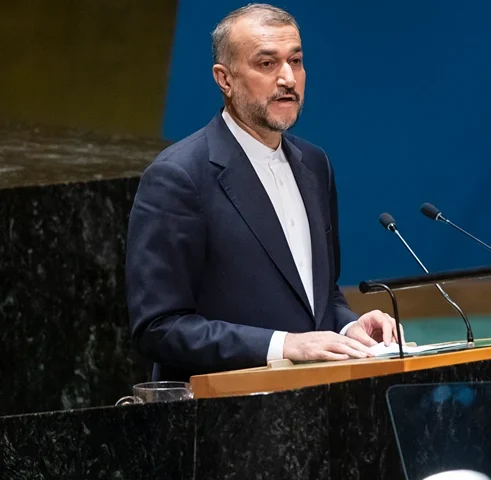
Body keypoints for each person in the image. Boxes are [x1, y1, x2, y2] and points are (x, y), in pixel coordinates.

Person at [125, 4, 397, 381]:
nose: (288, 78)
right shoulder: (178, 177)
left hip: (315, 403)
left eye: (296, 61)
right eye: (267, 64)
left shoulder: (315, 164)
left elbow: (320, 296)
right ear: (225, 79)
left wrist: (349, 328)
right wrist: (283, 345)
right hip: (222, 417)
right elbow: (158, 327)